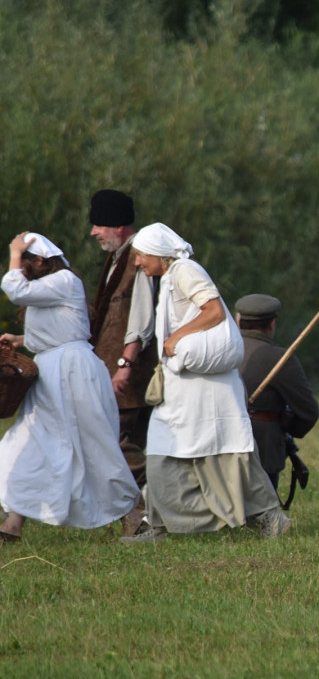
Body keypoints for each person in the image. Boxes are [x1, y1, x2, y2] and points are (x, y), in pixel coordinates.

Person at [121, 224, 290, 543]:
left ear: (159, 253)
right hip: (184, 390)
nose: (138, 262)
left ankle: (269, 518)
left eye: (141, 255)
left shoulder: (185, 270)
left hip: (207, 391)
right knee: (164, 452)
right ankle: (159, 525)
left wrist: (177, 337)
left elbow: (214, 311)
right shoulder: (168, 278)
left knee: (226, 457)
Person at [0, 232, 140, 543]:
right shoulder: (50, 286)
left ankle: (132, 516)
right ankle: (12, 525)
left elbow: (15, 290)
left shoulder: (65, 280)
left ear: (39, 260)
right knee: (30, 441)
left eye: (23, 263)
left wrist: (14, 253)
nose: (19, 269)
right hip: (52, 372)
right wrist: (22, 340)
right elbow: (61, 327)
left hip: (73, 372)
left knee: (91, 443)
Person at [87, 189, 158, 535]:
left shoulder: (138, 257)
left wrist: (124, 365)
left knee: (117, 446)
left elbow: (141, 318)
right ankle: (142, 515)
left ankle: (147, 515)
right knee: (122, 445)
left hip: (129, 375)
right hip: (120, 372)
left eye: (98, 225)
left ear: (118, 226)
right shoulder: (119, 257)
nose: (93, 232)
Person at [235, 294, 319, 491]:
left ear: (239, 321)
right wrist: (287, 428)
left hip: (215, 443)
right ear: (272, 323)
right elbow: (308, 412)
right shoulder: (279, 358)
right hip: (263, 446)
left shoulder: (220, 350)